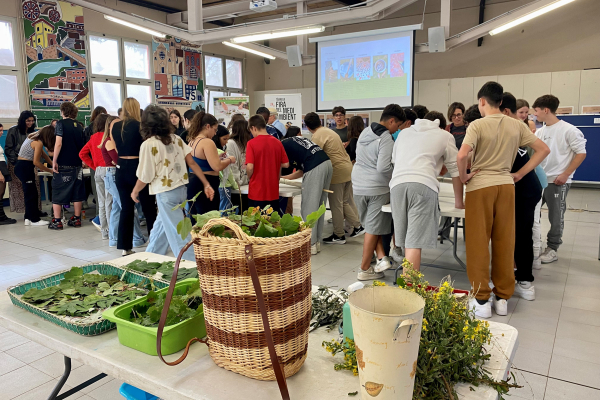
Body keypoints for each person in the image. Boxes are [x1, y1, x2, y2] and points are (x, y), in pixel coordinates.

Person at [458, 82, 549, 318]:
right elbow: (542, 149)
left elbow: (461, 155)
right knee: (505, 240)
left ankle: (481, 301)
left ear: (482, 101)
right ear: (501, 102)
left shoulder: (477, 125)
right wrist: (519, 173)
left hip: (480, 186)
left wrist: (464, 175)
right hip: (507, 186)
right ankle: (502, 298)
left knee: (478, 243)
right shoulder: (516, 125)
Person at [131, 105, 215, 261]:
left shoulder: (148, 144)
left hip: (165, 192)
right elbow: (192, 163)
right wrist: (206, 183)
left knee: (179, 236)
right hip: (181, 190)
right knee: (160, 228)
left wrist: (135, 191)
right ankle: (150, 258)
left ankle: (192, 266)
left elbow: (145, 175)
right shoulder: (176, 139)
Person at [390, 110, 463, 272]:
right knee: (414, 243)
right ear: (443, 127)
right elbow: (455, 169)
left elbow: (396, 160)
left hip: (397, 186)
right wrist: (459, 202)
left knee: (405, 241)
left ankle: (406, 286)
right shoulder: (445, 136)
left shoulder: (404, 133)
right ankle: (409, 291)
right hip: (422, 187)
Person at [352, 105, 405, 280]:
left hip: (358, 185)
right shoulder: (386, 138)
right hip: (377, 187)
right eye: (397, 126)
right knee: (373, 229)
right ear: (391, 121)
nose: (397, 130)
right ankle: (364, 269)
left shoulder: (365, 132)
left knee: (369, 226)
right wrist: (397, 173)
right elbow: (383, 168)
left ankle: (382, 258)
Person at [499, 92, 543, 301]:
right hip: (513, 191)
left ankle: (525, 281)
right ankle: (509, 275)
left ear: (505, 111)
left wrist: (521, 173)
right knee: (510, 234)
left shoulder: (516, 128)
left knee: (522, 234)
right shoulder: (502, 127)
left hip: (525, 190)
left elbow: (543, 150)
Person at [533, 94, 587, 264]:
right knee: (532, 215)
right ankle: (534, 244)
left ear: (546, 110)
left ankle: (553, 248)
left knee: (556, 217)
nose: (535, 115)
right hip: (539, 180)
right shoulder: (540, 131)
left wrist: (565, 174)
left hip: (557, 181)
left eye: (536, 111)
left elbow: (581, 153)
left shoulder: (569, 130)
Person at [305, 112, 363, 244]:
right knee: (344, 201)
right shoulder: (328, 131)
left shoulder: (317, 136)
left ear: (307, 127)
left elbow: (314, 157)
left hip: (337, 172)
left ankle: (340, 234)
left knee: (336, 204)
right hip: (348, 169)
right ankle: (357, 227)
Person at [110, 98, 157, 255]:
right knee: (148, 207)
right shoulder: (141, 126)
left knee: (126, 209)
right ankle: (154, 241)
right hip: (138, 167)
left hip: (121, 167)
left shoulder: (115, 126)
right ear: (137, 108)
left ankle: (125, 247)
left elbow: (116, 148)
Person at [281, 126, 333, 254]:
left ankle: (311, 244)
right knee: (319, 206)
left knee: (309, 207)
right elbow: (301, 171)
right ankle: (316, 241)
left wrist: (276, 177)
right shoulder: (295, 141)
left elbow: (285, 165)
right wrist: (283, 178)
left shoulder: (281, 146)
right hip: (327, 164)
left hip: (315, 165)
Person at [100, 115, 147, 249]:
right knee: (127, 208)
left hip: (116, 174)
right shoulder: (110, 142)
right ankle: (137, 238)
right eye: (115, 125)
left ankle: (114, 238)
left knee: (117, 208)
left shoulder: (116, 141)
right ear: (110, 127)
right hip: (114, 174)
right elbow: (117, 159)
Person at [49, 102, 86, 230]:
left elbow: (58, 143)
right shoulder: (80, 126)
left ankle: (57, 221)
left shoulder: (60, 124)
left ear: (63, 111)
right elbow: (82, 146)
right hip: (77, 164)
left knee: (58, 191)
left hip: (64, 164)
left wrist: (54, 161)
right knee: (77, 192)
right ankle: (76, 219)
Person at [187, 112, 234, 214]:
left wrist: (218, 157)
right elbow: (217, 166)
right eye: (215, 129)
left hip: (192, 181)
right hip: (206, 183)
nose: (215, 133)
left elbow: (201, 162)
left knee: (195, 219)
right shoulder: (208, 142)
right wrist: (229, 160)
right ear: (208, 126)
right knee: (208, 219)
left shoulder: (191, 141)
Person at [246, 115, 289, 211]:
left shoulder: (251, 143)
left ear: (253, 128)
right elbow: (286, 164)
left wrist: (249, 177)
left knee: (255, 223)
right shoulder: (278, 142)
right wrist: (272, 162)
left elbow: (249, 167)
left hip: (256, 191)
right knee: (272, 223)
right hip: (273, 191)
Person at [14, 126, 55, 226]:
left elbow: (43, 154)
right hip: (25, 167)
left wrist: (52, 164)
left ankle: (28, 217)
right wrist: (50, 171)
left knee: (31, 192)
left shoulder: (33, 137)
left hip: (22, 166)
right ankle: (34, 220)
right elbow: (36, 162)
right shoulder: (38, 142)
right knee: (31, 194)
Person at [80, 113, 112, 239]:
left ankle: (104, 232)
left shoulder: (93, 137)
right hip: (109, 170)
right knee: (110, 202)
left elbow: (82, 154)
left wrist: (93, 166)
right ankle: (112, 232)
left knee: (102, 203)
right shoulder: (108, 137)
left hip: (98, 171)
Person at [5, 111, 42, 215]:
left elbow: (37, 149)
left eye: (32, 120)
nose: (30, 123)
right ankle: (27, 212)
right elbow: (8, 149)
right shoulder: (13, 130)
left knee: (35, 188)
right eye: (27, 121)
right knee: (21, 189)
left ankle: (35, 210)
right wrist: (17, 162)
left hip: (30, 163)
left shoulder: (33, 132)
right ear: (22, 121)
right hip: (17, 164)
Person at [227, 119, 252, 212]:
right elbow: (232, 166)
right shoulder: (231, 143)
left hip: (245, 185)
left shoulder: (246, 143)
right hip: (237, 186)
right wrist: (238, 182)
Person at [212, 125, 237, 212]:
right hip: (225, 185)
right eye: (224, 139)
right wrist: (235, 185)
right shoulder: (221, 153)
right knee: (225, 210)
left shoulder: (212, 151)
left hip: (215, 185)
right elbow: (228, 172)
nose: (226, 142)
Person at [0, 123, 16, 225]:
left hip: (2, 166)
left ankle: (1, 216)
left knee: (1, 194)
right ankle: (1, 217)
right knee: (0, 193)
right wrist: (0, 174)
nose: (1, 133)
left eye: (2, 130)